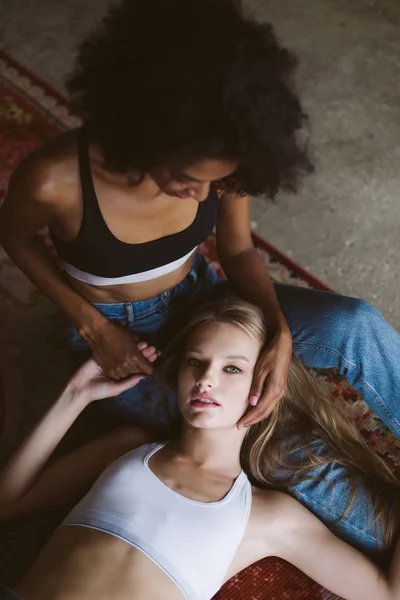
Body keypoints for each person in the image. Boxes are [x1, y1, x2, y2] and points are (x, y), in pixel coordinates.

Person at [1, 0, 400, 439]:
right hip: (124, 333)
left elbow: (238, 248)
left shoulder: (226, 150)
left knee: (354, 324)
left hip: (206, 299)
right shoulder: (52, 179)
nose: (203, 195)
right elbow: (16, 238)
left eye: (217, 181)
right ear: (145, 137)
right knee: (254, 439)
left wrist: (279, 332)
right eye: (187, 178)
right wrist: (93, 328)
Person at [0, 295, 399, 600]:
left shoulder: (270, 518)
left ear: (266, 387)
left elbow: (387, 592)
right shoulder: (129, 449)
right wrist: (76, 395)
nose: (206, 378)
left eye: (232, 368)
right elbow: (9, 503)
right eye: (196, 361)